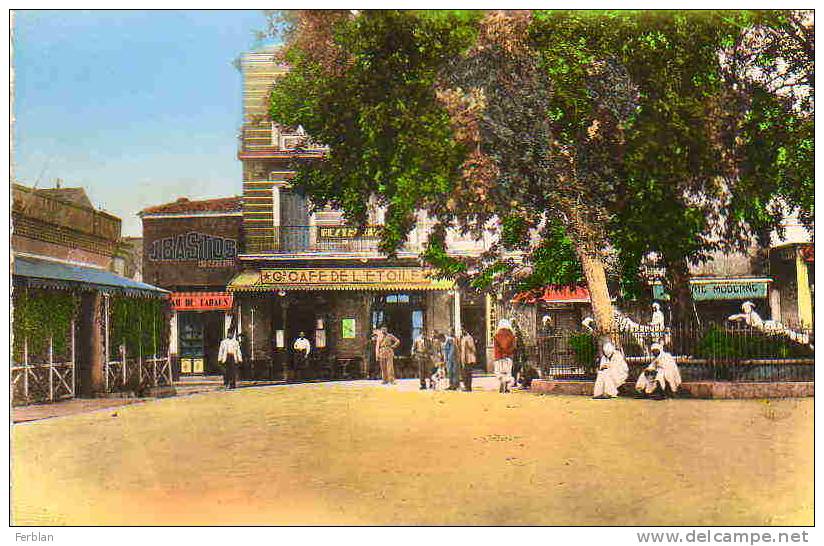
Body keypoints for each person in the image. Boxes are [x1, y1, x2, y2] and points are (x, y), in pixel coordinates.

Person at [493, 319, 517, 393]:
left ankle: (501, 383)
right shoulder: (512, 335)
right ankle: (506, 387)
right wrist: (507, 352)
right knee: (507, 372)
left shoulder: (496, 335)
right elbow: (513, 346)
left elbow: (496, 347)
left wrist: (500, 353)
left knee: (500, 372)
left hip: (499, 357)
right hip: (508, 356)